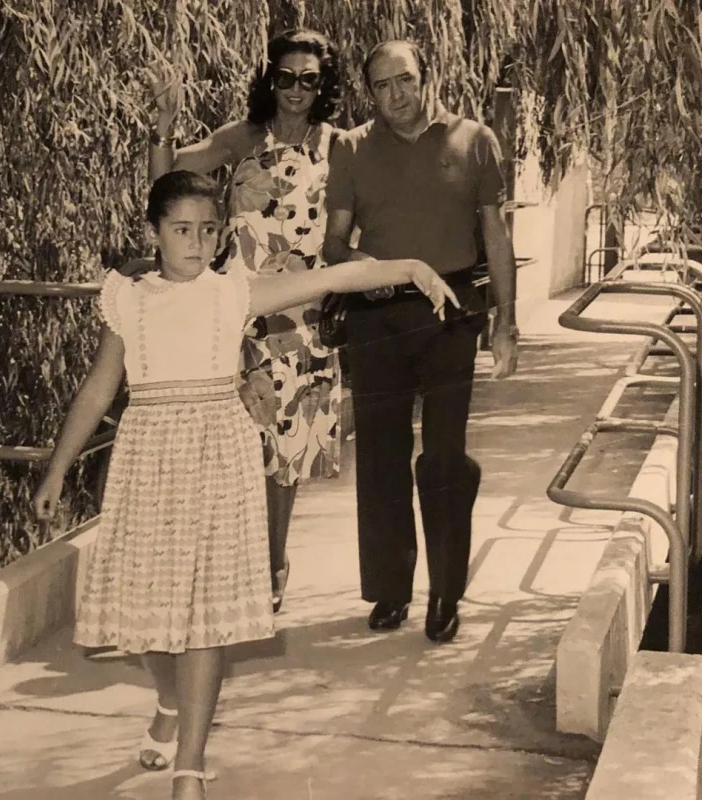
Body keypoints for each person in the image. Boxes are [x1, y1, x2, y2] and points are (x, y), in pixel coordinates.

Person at [33, 170, 457, 799]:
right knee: (148, 612)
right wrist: (58, 467)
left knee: (204, 618)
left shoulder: (231, 292)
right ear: (154, 233)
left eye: (208, 230)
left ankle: (190, 765)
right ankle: (171, 702)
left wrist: (414, 266)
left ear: (221, 234)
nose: (196, 243)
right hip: (148, 456)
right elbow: (99, 388)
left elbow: (333, 276)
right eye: (181, 230)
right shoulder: (127, 298)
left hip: (218, 455)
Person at [323, 39, 519, 644]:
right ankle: (389, 590)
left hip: (453, 312)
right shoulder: (351, 148)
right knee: (380, 455)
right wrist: (377, 271)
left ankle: (445, 594)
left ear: (425, 77)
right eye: (381, 86)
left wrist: (506, 322)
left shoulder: (475, 140)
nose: (395, 96)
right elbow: (332, 247)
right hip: (377, 314)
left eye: (403, 80)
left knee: (443, 457)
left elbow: (496, 236)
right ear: (370, 93)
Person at [146, 29, 343, 618]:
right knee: (225, 442)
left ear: (322, 84)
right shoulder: (242, 138)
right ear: (270, 78)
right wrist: (163, 125)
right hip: (231, 312)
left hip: (302, 316)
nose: (296, 90)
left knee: (283, 451)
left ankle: (272, 564)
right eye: (286, 76)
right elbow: (166, 183)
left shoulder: (341, 145)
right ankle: (216, 567)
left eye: (308, 79)